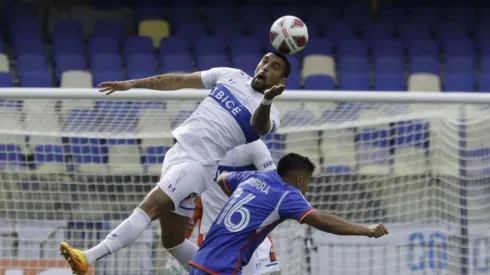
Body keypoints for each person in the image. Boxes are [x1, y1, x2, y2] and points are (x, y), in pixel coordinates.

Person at [59, 52, 290, 275]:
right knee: (173, 241)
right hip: (177, 153)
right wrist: (132, 84)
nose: (266, 67)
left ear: (282, 81)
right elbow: (178, 80)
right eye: (264, 61)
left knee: (149, 207)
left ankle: (88, 257)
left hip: (198, 164)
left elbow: (259, 127)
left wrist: (268, 99)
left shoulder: (273, 114)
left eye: (275, 67)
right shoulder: (231, 75)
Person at [189, 153, 389, 275]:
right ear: (300, 180)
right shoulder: (287, 195)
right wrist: (366, 230)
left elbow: (222, 178)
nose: (307, 190)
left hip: (200, 260)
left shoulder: (252, 177)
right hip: (222, 268)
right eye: (308, 182)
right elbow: (322, 220)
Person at [186, 140, 280, 275]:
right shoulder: (201, 146)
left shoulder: (254, 145)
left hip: (252, 240)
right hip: (214, 243)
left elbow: (275, 186)